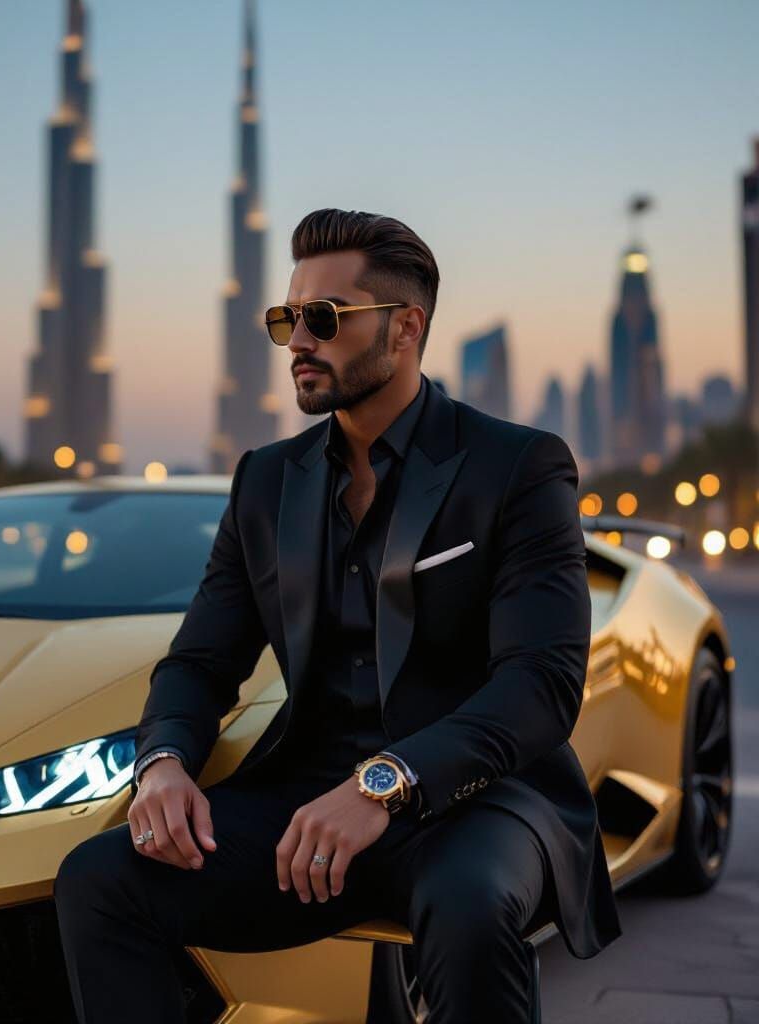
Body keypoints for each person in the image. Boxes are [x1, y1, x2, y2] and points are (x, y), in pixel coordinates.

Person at [53, 208, 622, 1022]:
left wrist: (384, 785)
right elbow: (200, 662)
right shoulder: (265, 482)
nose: (296, 342)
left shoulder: (517, 466)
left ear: (405, 328)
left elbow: (541, 684)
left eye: (323, 319)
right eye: (286, 319)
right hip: (306, 810)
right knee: (99, 880)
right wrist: (165, 762)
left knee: (467, 909)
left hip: (479, 801)